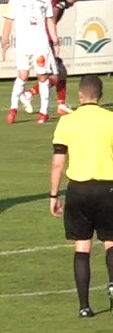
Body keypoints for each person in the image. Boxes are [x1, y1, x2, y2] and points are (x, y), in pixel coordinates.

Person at [49, 74, 113, 317]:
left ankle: (84, 307)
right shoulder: (110, 119)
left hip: (78, 189)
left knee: (82, 246)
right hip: (108, 188)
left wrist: (53, 196)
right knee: (111, 242)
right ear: (101, 95)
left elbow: (57, 164)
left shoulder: (67, 122)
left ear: (80, 95)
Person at [3, 0, 59, 124]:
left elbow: (49, 20)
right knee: (23, 75)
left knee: (43, 76)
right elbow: (8, 21)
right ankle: (13, 108)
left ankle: (44, 112)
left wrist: (55, 39)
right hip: (23, 44)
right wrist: (4, 40)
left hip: (41, 44)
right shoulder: (15, 0)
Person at [51, 0, 82, 115]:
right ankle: (29, 94)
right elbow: (53, 16)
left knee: (61, 72)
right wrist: (54, 36)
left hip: (43, 39)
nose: (73, 4)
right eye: (74, 1)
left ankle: (61, 104)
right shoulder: (61, 2)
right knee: (55, 74)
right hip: (46, 40)